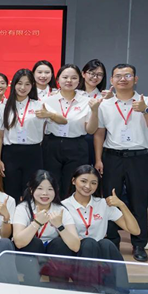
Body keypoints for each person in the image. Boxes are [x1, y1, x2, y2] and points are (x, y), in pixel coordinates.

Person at [94, 63, 148, 262]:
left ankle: (139, 244)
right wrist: (98, 159)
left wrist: (145, 110)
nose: (123, 79)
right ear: (112, 80)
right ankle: (112, 243)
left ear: (136, 79)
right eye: (118, 76)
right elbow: (99, 133)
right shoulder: (105, 104)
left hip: (138, 158)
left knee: (138, 202)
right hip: (112, 157)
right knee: (111, 200)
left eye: (127, 75)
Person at [63, 165, 140, 291]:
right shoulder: (64, 206)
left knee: (107, 244)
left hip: (99, 253)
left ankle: (118, 292)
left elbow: (135, 230)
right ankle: (87, 291)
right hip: (76, 252)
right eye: (83, 181)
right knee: (89, 244)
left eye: (93, 183)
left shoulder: (103, 204)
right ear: (73, 181)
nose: (88, 186)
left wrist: (121, 204)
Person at [0, 69, 62, 201]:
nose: (23, 87)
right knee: (10, 191)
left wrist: (49, 114)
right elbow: (0, 135)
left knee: (32, 190)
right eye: (19, 83)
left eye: (27, 84)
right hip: (10, 152)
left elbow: (63, 120)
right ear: (14, 84)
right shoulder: (3, 107)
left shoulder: (39, 105)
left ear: (32, 86)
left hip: (33, 152)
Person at [11, 170, 80, 285]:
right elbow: (18, 242)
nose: (45, 193)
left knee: (60, 243)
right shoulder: (23, 208)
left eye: (50, 189)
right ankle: (31, 285)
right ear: (31, 189)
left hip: (53, 256)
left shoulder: (61, 210)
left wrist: (60, 226)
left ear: (55, 191)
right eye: (40, 188)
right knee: (34, 242)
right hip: (29, 257)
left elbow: (76, 246)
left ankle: (59, 287)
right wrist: (37, 223)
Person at [41, 64, 100, 197]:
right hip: (52, 144)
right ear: (58, 79)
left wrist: (95, 111)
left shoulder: (87, 101)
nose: (69, 80)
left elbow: (91, 130)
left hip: (77, 146)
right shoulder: (47, 101)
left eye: (73, 78)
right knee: (51, 182)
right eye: (65, 77)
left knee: (73, 183)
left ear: (79, 81)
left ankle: (70, 209)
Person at [79, 59, 109, 165]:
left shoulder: (105, 98)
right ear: (83, 74)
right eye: (91, 73)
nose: (95, 77)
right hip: (74, 139)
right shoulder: (73, 95)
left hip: (94, 141)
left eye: (99, 74)